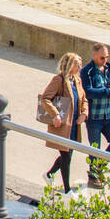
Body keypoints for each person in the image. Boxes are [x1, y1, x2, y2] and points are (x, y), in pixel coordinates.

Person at [80, 42, 110, 188]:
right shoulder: (87, 72)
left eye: (107, 57)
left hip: (108, 115)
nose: (105, 60)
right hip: (94, 117)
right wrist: (108, 92)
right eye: (102, 58)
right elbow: (88, 92)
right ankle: (93, 177)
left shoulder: (108, 68)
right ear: (94, 55)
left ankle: (98, 170)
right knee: (94, 149)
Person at [41, 53, 88, 195]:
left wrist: (84, 113)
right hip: (62, 125)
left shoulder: (77, 80)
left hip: (74, 125)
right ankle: (67, 190)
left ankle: (49, 174)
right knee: (66, 156)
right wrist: (55, 114)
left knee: (67, 155)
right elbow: (45, 98)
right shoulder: (59, 80)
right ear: (69, 65)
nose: (79, 67)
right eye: (77, 64)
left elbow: (84, 100)